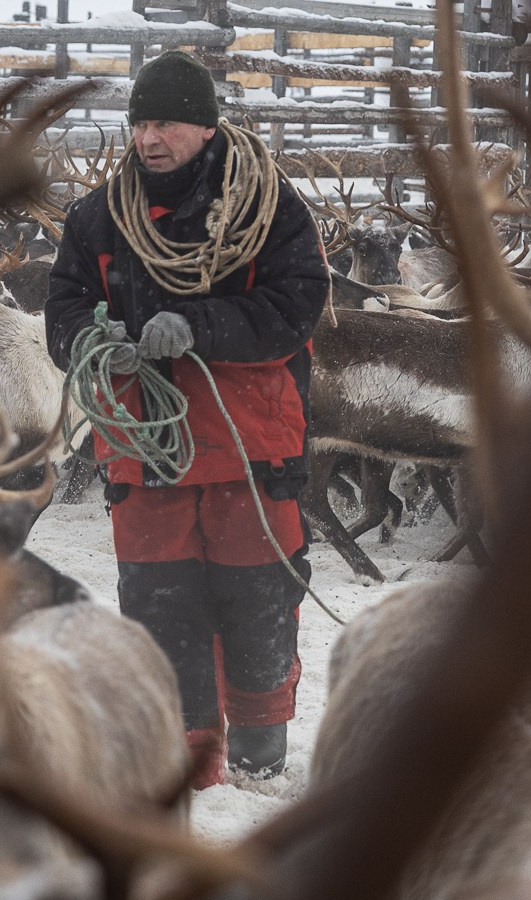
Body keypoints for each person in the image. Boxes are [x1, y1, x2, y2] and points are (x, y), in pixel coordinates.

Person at [43, 50, 328, 785]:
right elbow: (64, 308)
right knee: (160, 610)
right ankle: (188, 765)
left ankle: (260, 755)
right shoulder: (99, 218)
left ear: (205, 126)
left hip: (249, 449)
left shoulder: (272, 210)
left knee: (258, 603)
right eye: (140, 124)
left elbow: (296, 305)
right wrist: (92, 339)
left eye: (165, 124)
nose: (148, 139)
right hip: (148, 453)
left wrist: (202, 324)